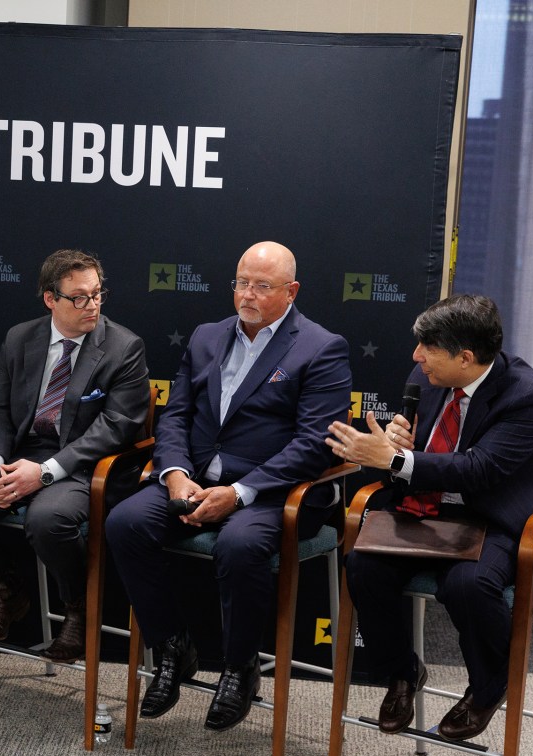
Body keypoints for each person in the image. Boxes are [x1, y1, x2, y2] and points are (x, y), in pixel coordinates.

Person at [106, 241, 351, 730]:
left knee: (238, 545)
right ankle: (173, 647)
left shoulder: (321, 348)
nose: (247, 295)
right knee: (125, 523)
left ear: (291, 290)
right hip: (194, 478)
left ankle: (240, 669)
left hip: (275, 493)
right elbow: (176, 414)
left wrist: (239, 494)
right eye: (241, 283)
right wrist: (175, 473)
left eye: (262, 286)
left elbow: (313, 445)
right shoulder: (206, 337)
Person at [325, 294, 533, 741]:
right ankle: (402, 672)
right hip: (425, 508)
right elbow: (420, 443)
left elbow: (479, 470)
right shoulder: (427, 374)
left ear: (466, 357)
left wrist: (395, 461)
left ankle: (490, 685)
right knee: (363, 565)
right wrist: (401, 439)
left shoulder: (527, 397)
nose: (416, 357)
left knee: (467, 586)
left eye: (427, 348)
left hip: (490, 517)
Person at [0, 249, 148, 663]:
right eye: (79, 297)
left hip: (83, 466)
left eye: (97, 294)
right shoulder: (21, 338)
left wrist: (46, 472)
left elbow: (116, 428)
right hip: (21, 454)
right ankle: (8, 591)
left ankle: (78, 610)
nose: (93, 305)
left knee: (48, 519)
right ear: (50, 299)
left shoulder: (124, 347)